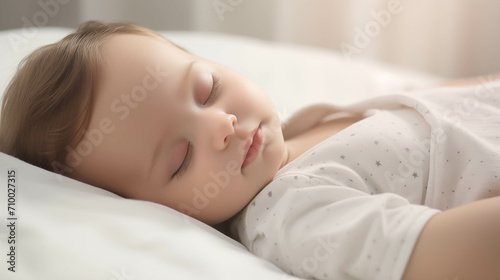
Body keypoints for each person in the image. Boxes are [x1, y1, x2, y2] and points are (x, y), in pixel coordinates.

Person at [1, 21, 500, 280]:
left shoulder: (302, 122)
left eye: (206, 89)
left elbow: (442, 102)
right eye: (180, 160)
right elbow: (446, 253)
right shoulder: (291, 215)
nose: (222, 126)